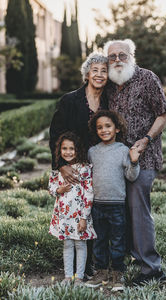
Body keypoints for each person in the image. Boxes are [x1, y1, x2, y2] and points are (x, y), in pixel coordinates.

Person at [103, 39, 166, 285]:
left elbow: (163, 114)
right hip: (116, 159)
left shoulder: (147, 78)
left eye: (122, 54)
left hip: (144, 156)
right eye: (112, 56)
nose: (117, 59)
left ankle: (152, 269)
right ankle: (133, 256)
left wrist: (146, 139)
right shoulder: (109, 84)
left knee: (138, 209)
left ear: (132, 56)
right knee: (121, 212)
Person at [49, 52, 108, 279]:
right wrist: (60, 165)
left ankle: (96, 262)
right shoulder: (69, 100)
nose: (99, 75)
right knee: (76, 212)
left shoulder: (110, 100)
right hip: (74, 167)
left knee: (96, 211)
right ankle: (76, 268)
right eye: (95, 70)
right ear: (87, 73)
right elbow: (55, 134)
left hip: (101, 165)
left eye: (104, 71)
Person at [85, 110, 140, 291]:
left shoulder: (123, 150)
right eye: (99, 127)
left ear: (117, 128)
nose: (104, 130)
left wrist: (133, 162)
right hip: (97, 204)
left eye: (108, 126)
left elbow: (131, 177)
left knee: (117, 241)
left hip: (117, 205)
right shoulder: (92, 152)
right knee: (99, 240)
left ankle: (117, 274)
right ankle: (101, 272)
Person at [48, 131, 97, 286]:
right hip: (63, 215)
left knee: (80, 245)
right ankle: (68, 276)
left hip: (79, 216)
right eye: (64, 148)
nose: (68, 152)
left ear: (78, 150)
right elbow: (50, 186)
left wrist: (84, 217)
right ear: (59, 150)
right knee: (68, 245)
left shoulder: (84, 169)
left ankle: (80, 277)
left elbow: (89, 193)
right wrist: (57, 190)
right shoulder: (58, 170)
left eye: (72, 149)